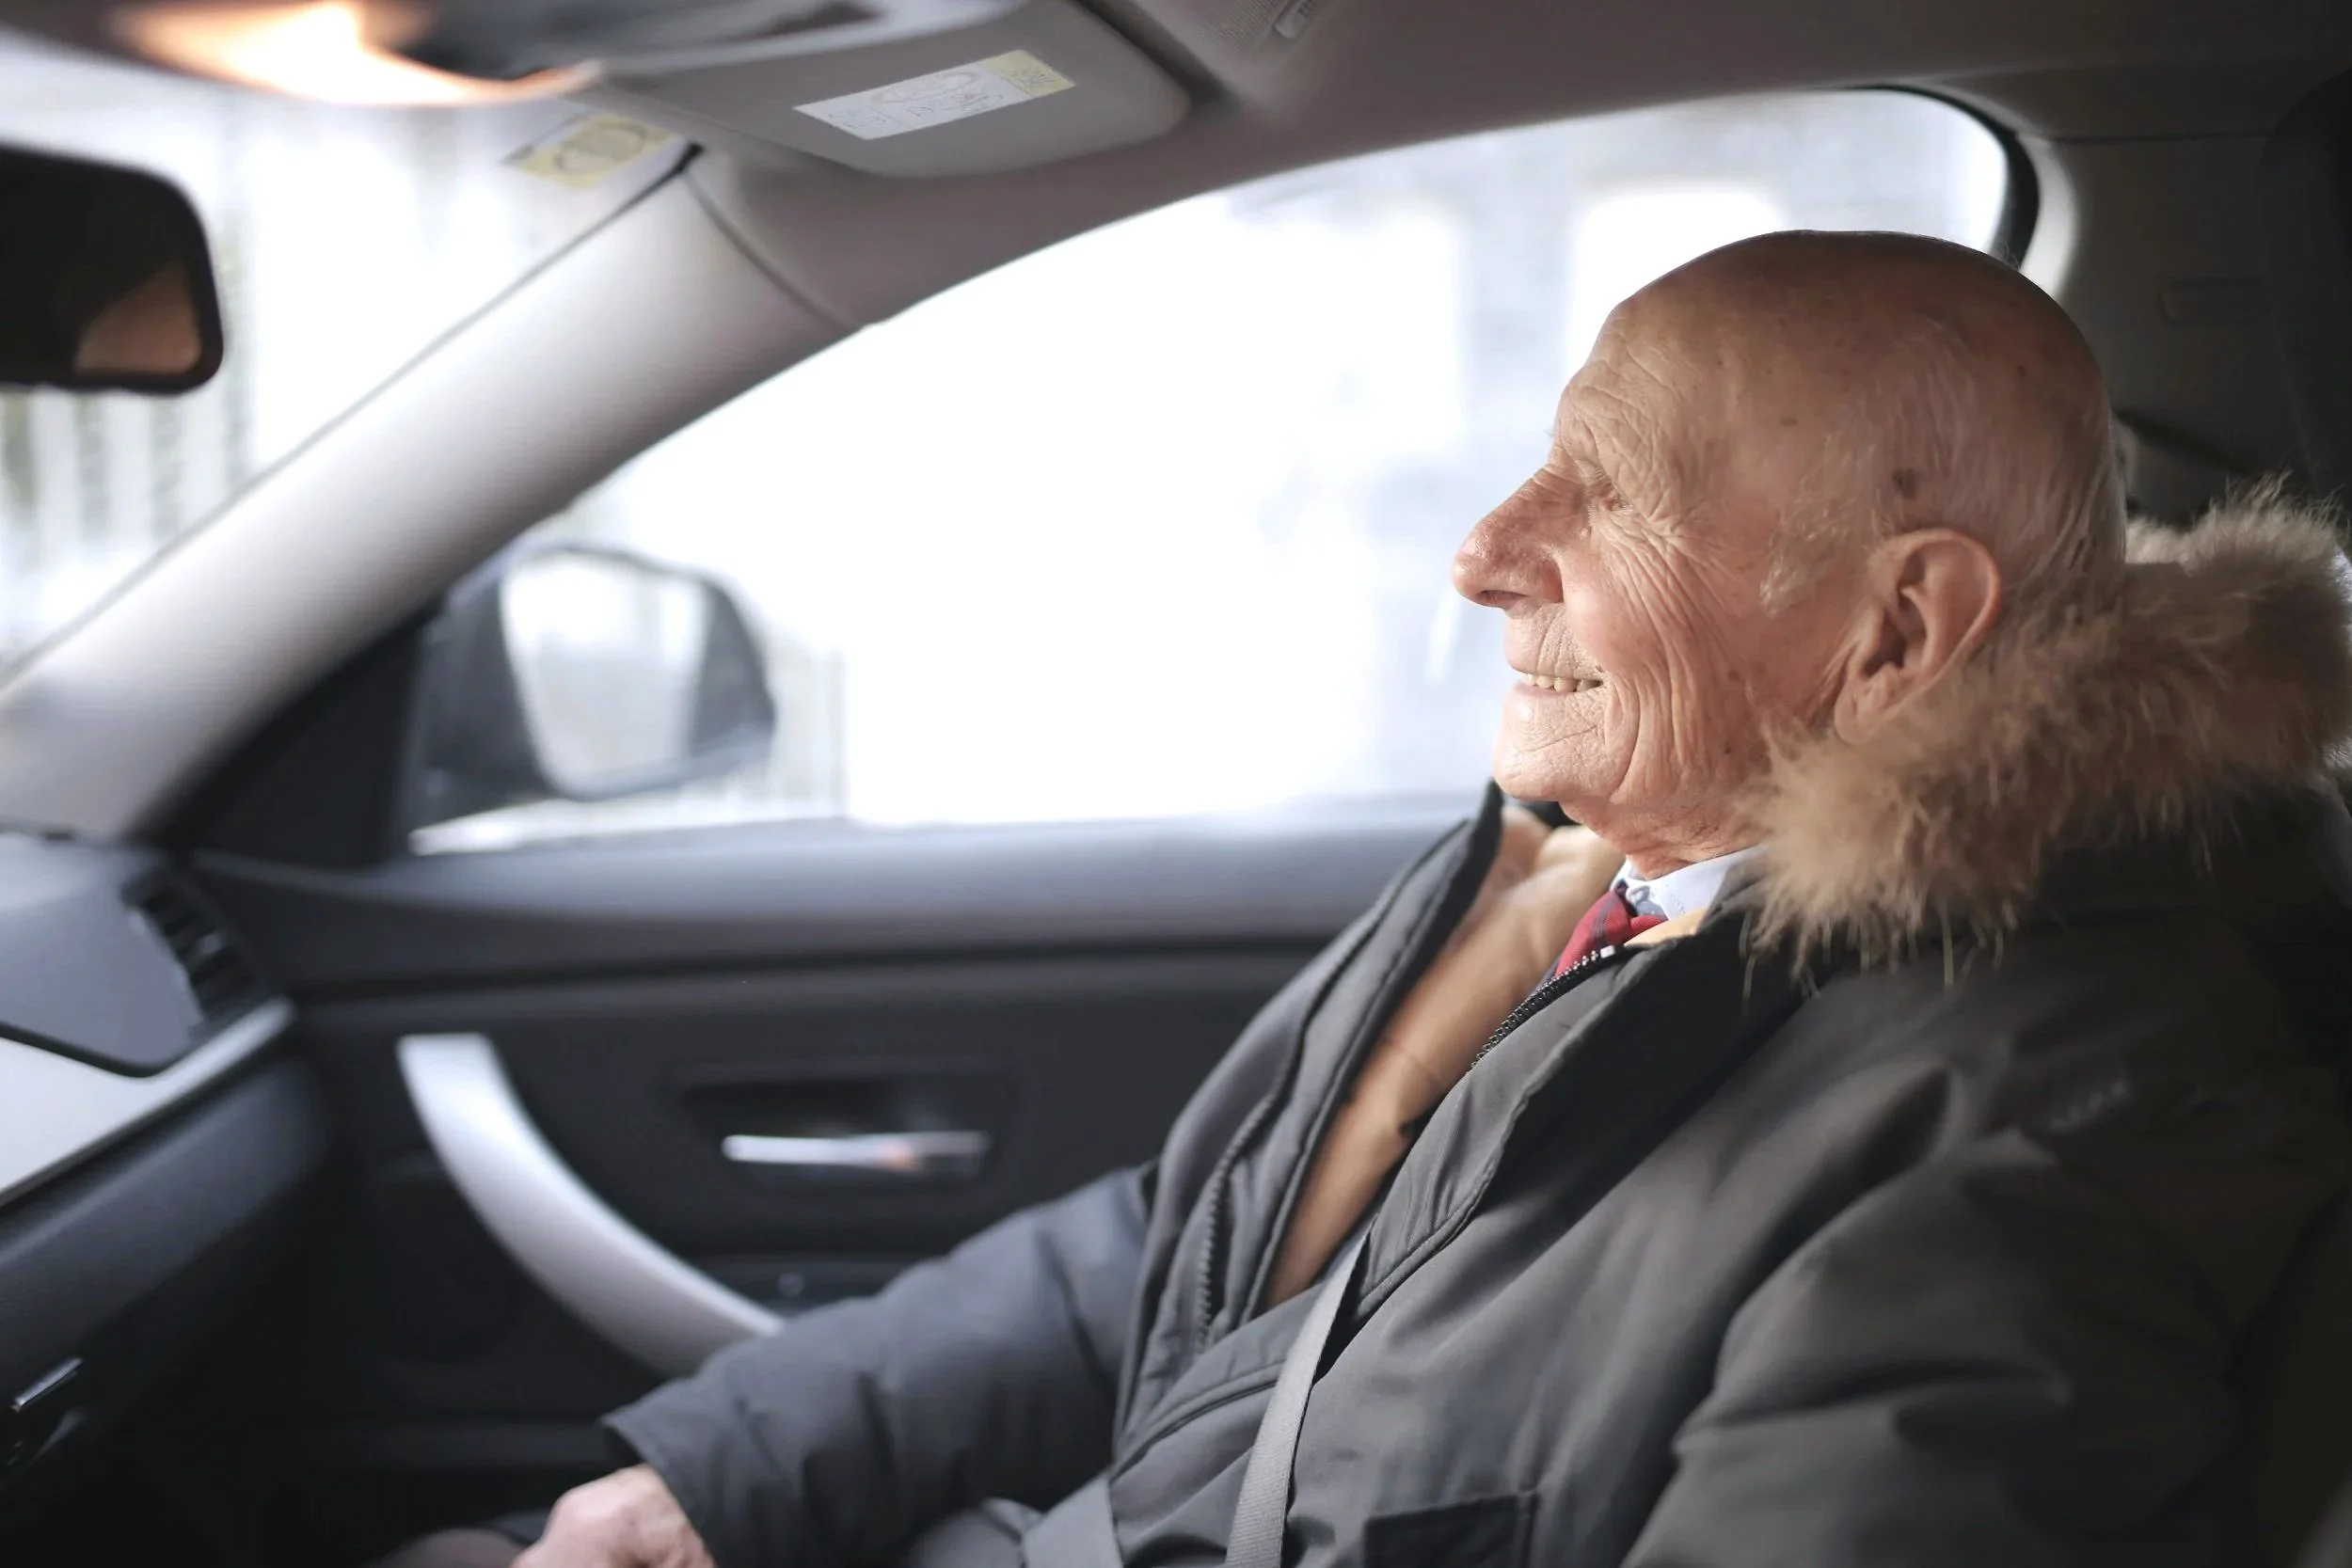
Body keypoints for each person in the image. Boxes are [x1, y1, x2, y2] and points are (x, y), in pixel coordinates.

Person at [393, 230, 2352, 1568]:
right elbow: (1198, 1246)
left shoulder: (2069, 1115)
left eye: (1611, 487)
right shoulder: (1596, 868)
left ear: (1898, 624)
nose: (1485, 547)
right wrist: (714, 1480)